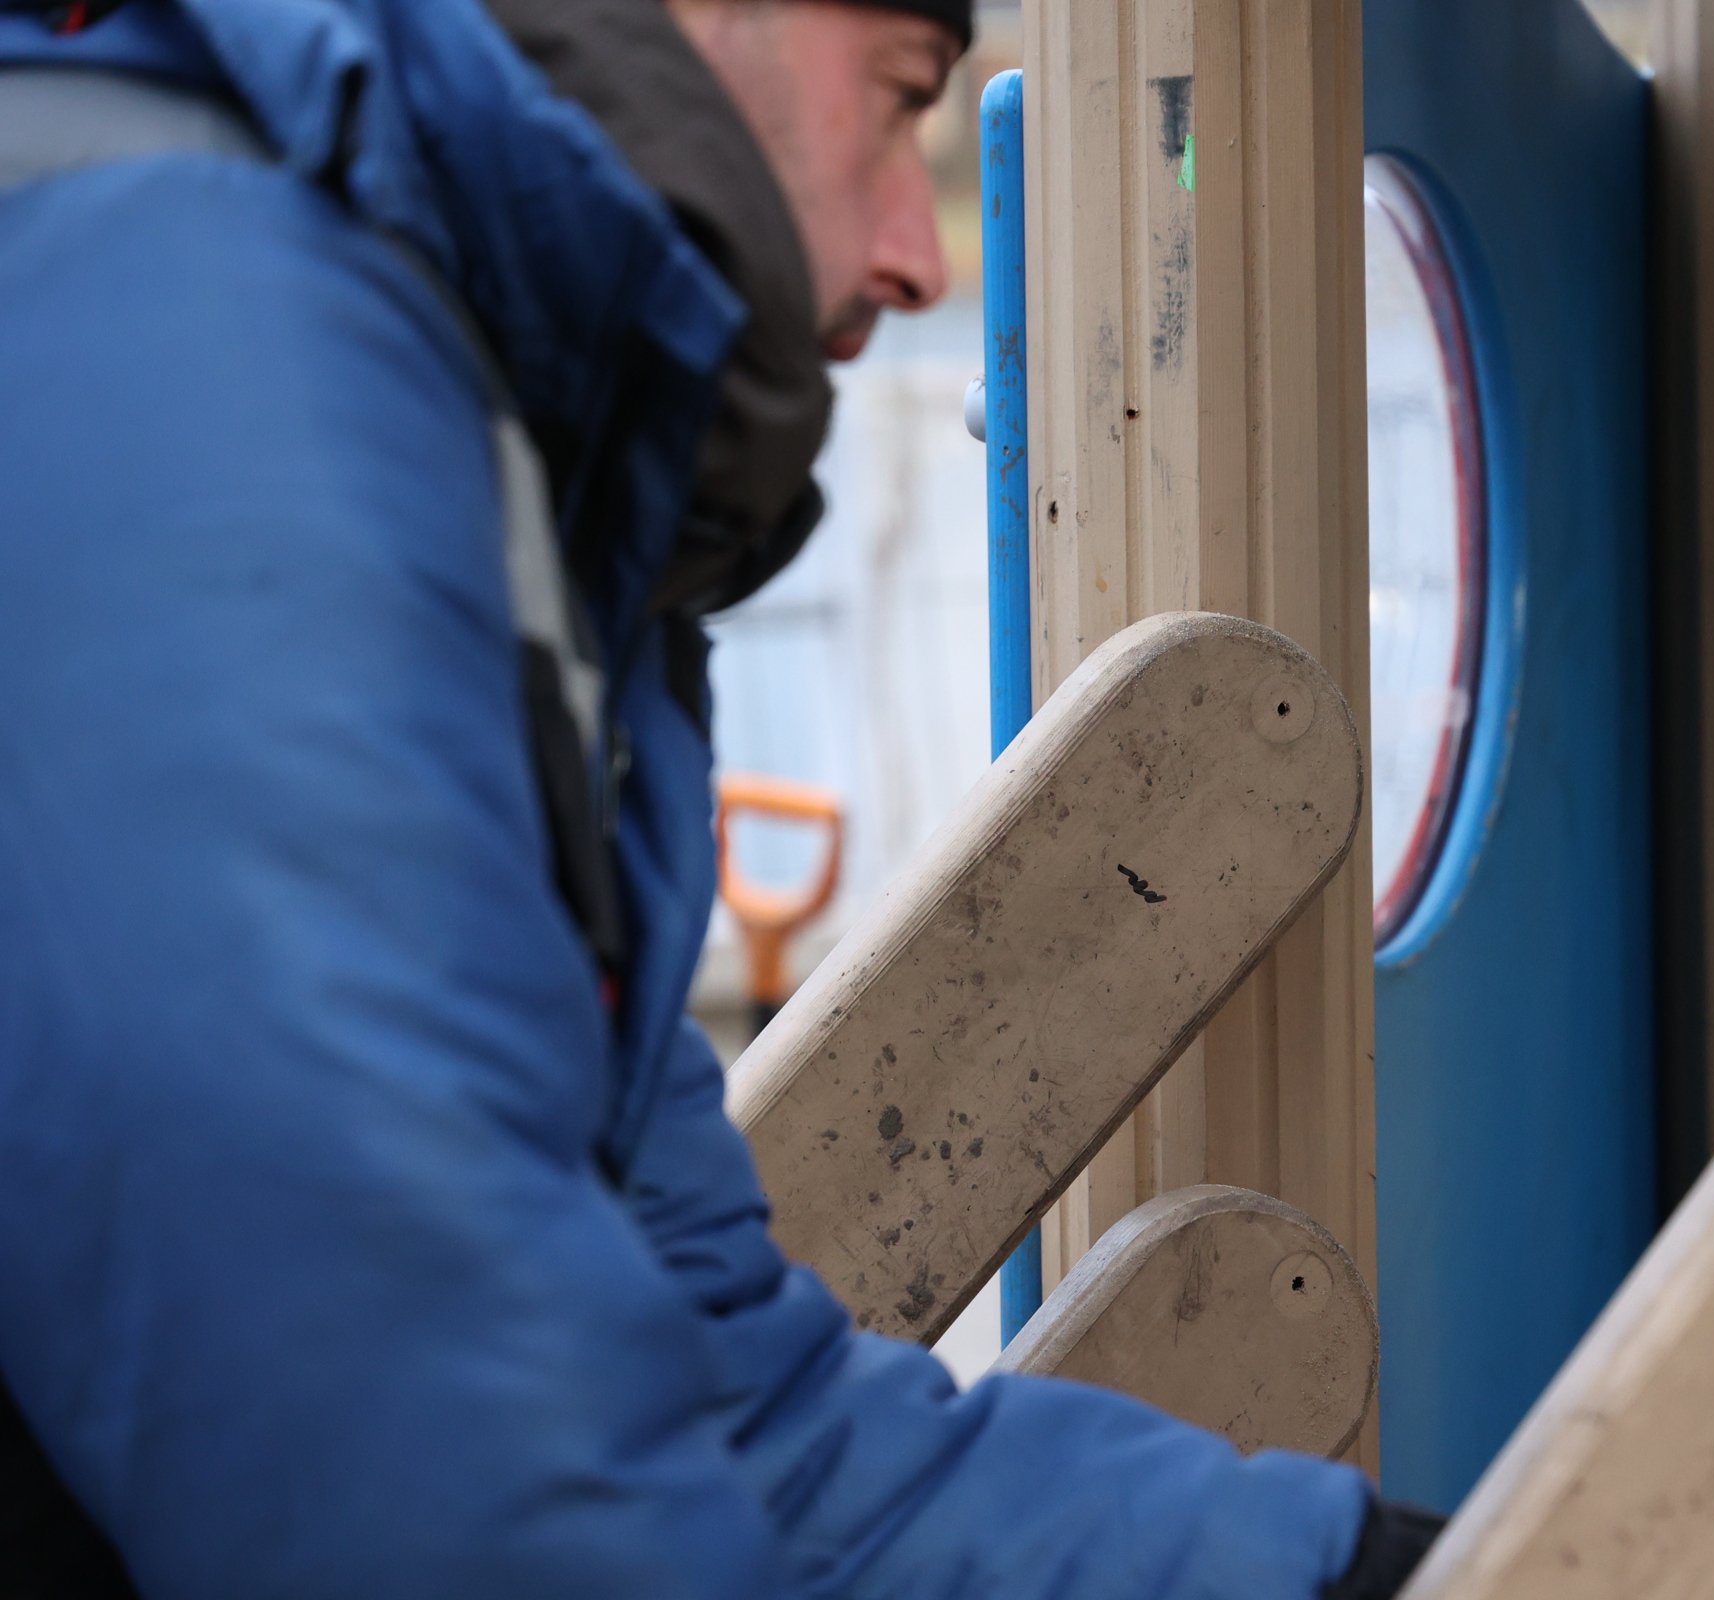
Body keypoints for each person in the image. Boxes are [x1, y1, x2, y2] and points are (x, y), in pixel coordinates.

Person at [0, 1, 1442, 1596]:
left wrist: (1350, 1574)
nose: (920, 258)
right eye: (896, 101)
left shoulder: (476, 460)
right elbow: (430, 1487)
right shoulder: (202, 354)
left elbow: (731, 1420)